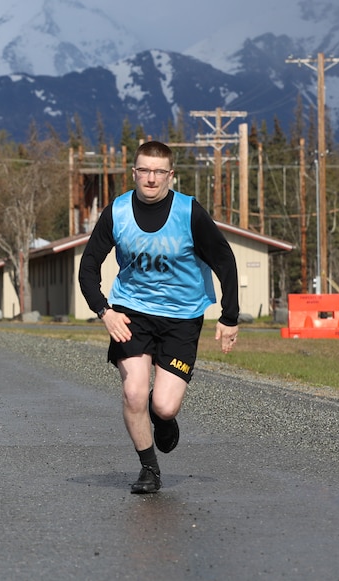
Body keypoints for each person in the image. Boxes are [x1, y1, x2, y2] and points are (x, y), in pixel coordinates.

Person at [78, 140, 239, 494]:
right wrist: (105, 312)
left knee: (163, 406)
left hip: (182, 316)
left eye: (158, 171)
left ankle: (162, 418)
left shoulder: (189, 212)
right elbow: (88, 266)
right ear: (134, 173)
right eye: (144, 170)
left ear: (171, 175)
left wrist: (230, 317)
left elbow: (224, 260)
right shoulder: (117, 212)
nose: (151, 179)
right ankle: (149, 468)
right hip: (131, 313)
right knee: (134, 393)